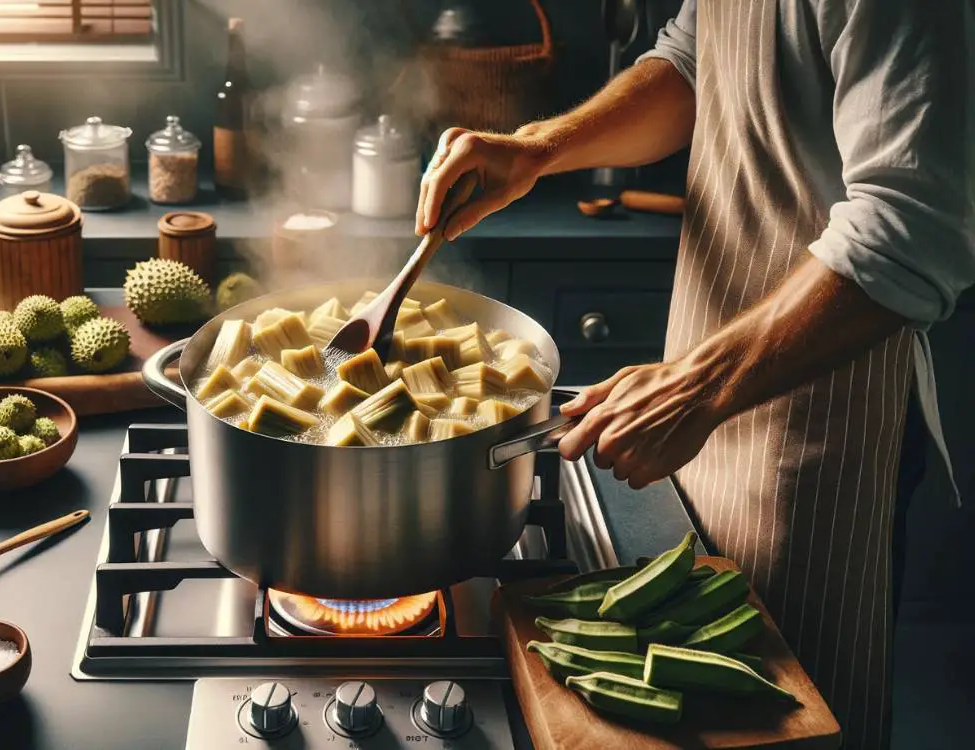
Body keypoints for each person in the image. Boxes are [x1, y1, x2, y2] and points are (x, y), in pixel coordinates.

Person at [417, 1, 973, 747]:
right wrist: (537, 148)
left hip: (818, 425)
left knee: (787, 711)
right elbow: (692, 63)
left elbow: (915, 226)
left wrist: (698, 385)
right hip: (701, 388)